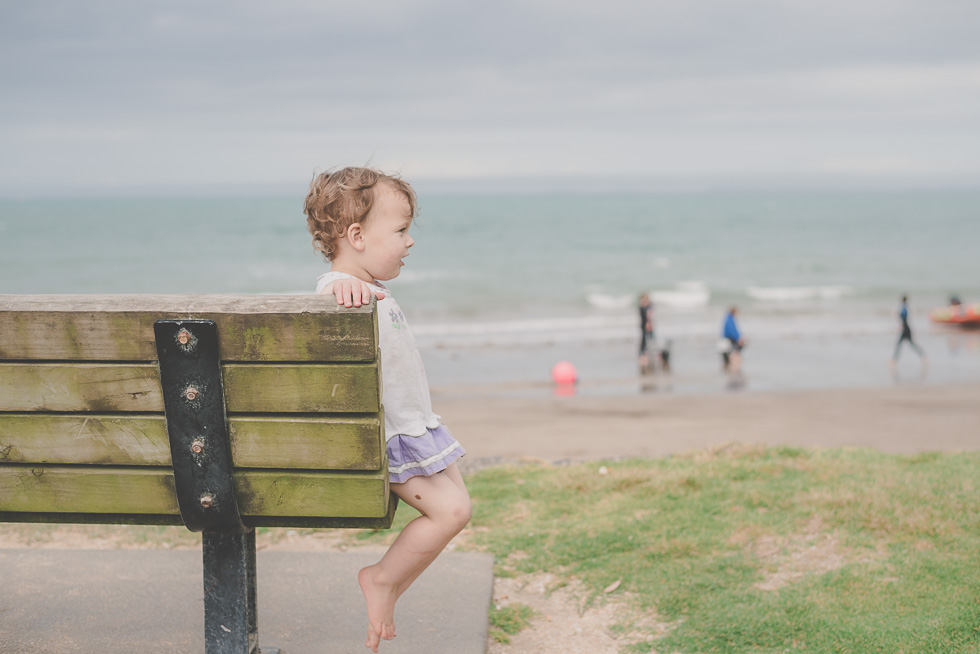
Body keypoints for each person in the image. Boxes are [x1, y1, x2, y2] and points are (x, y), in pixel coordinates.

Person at [304, 167, 472, 652]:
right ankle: (379, 581)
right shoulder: (342, 291)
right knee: (453, 510)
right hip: (386, 438)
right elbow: (324, 298)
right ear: (356, 236)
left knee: (459, 509)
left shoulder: (368, 287)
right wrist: (338, 291)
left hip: (414, 427)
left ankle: (387, 587)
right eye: (400, 230)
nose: (410, 241)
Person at [892, 295, 926, 364]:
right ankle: (923, 355)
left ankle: (894, 360)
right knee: (911, 344)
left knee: (900, 344)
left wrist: (901, 323)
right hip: (906, 328)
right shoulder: (905, 307)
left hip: (905, 329)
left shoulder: (903, 307)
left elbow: (903, 316)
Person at [721, 306, 745, 372]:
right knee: (732, 352)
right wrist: (738, 338)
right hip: (729, 338)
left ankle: (728, 365)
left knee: (728, 354)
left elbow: (734, 330)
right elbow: (732, 331)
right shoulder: (730, 319)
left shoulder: (729, 318)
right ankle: (732, 364)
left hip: (728, 338)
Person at [638, 293, 655, 372]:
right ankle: (642, 356)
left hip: (649, 325)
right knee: (643, 340)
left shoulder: (650, 305)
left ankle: (650, 355)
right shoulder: (641, 306)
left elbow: (651, 315)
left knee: (651, 339)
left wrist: (649, 323)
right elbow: (643, 316)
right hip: (644, 325)